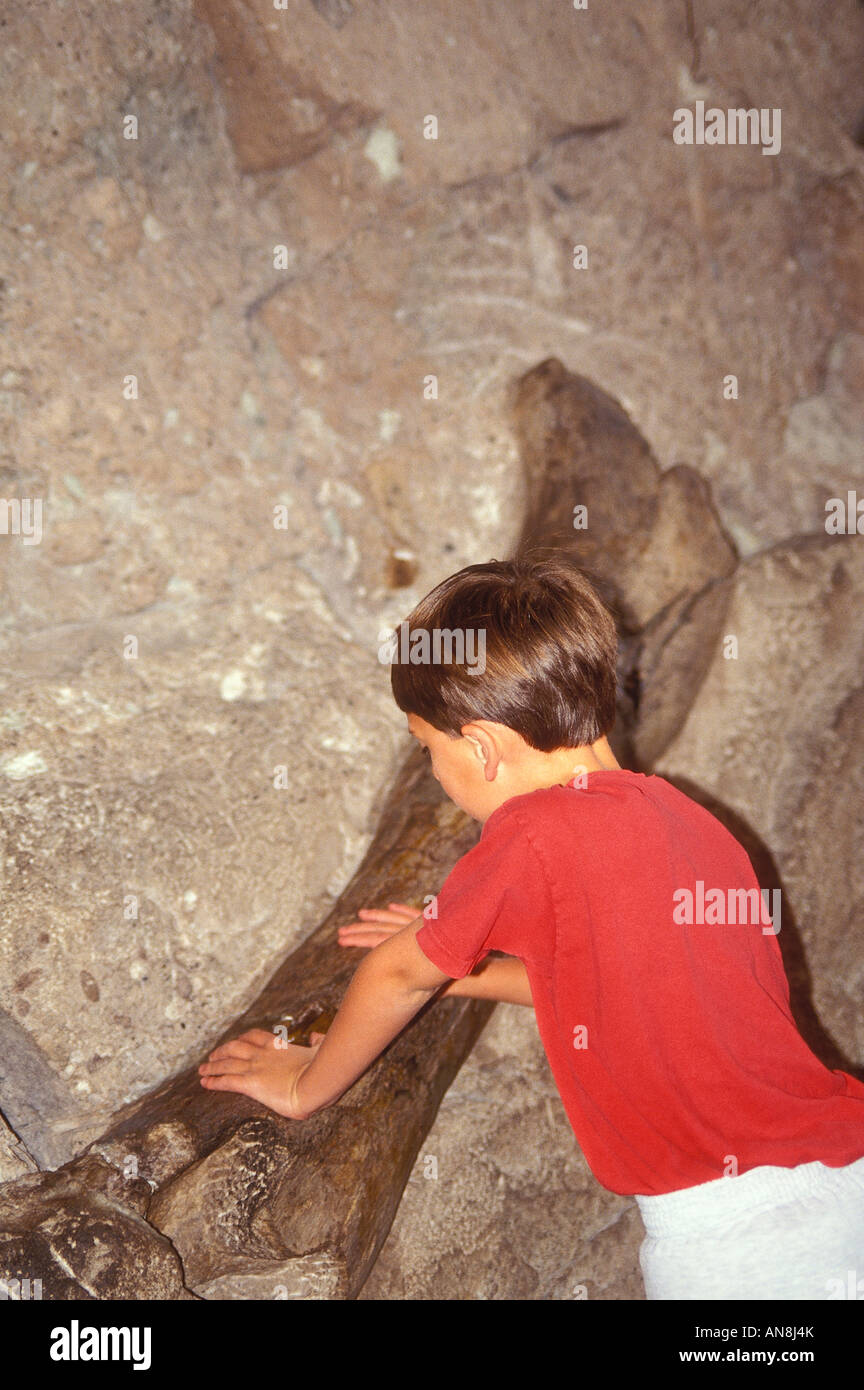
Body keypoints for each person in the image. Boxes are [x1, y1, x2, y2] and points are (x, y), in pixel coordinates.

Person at [198, 552, 864, 1300]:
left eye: (429, 751)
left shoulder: (532, 835)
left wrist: (305, 1083)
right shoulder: (691, 822)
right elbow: (627, 992)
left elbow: (392, 972)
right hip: (841, 1182)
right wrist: (462, 966)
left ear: (479, 744)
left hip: (737, 1239)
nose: (435, 774)